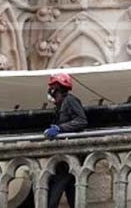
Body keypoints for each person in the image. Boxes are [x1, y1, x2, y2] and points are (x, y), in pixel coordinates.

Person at [44, 73, 87, 208]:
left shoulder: (70, 100)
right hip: (65, 157)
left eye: (52, 88)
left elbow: (81, 121)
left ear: (57, 89)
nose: (50, 91)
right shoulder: (61, 105)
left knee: (52, 201)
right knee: (73, 197)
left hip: (69, 157)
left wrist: (60, 128)